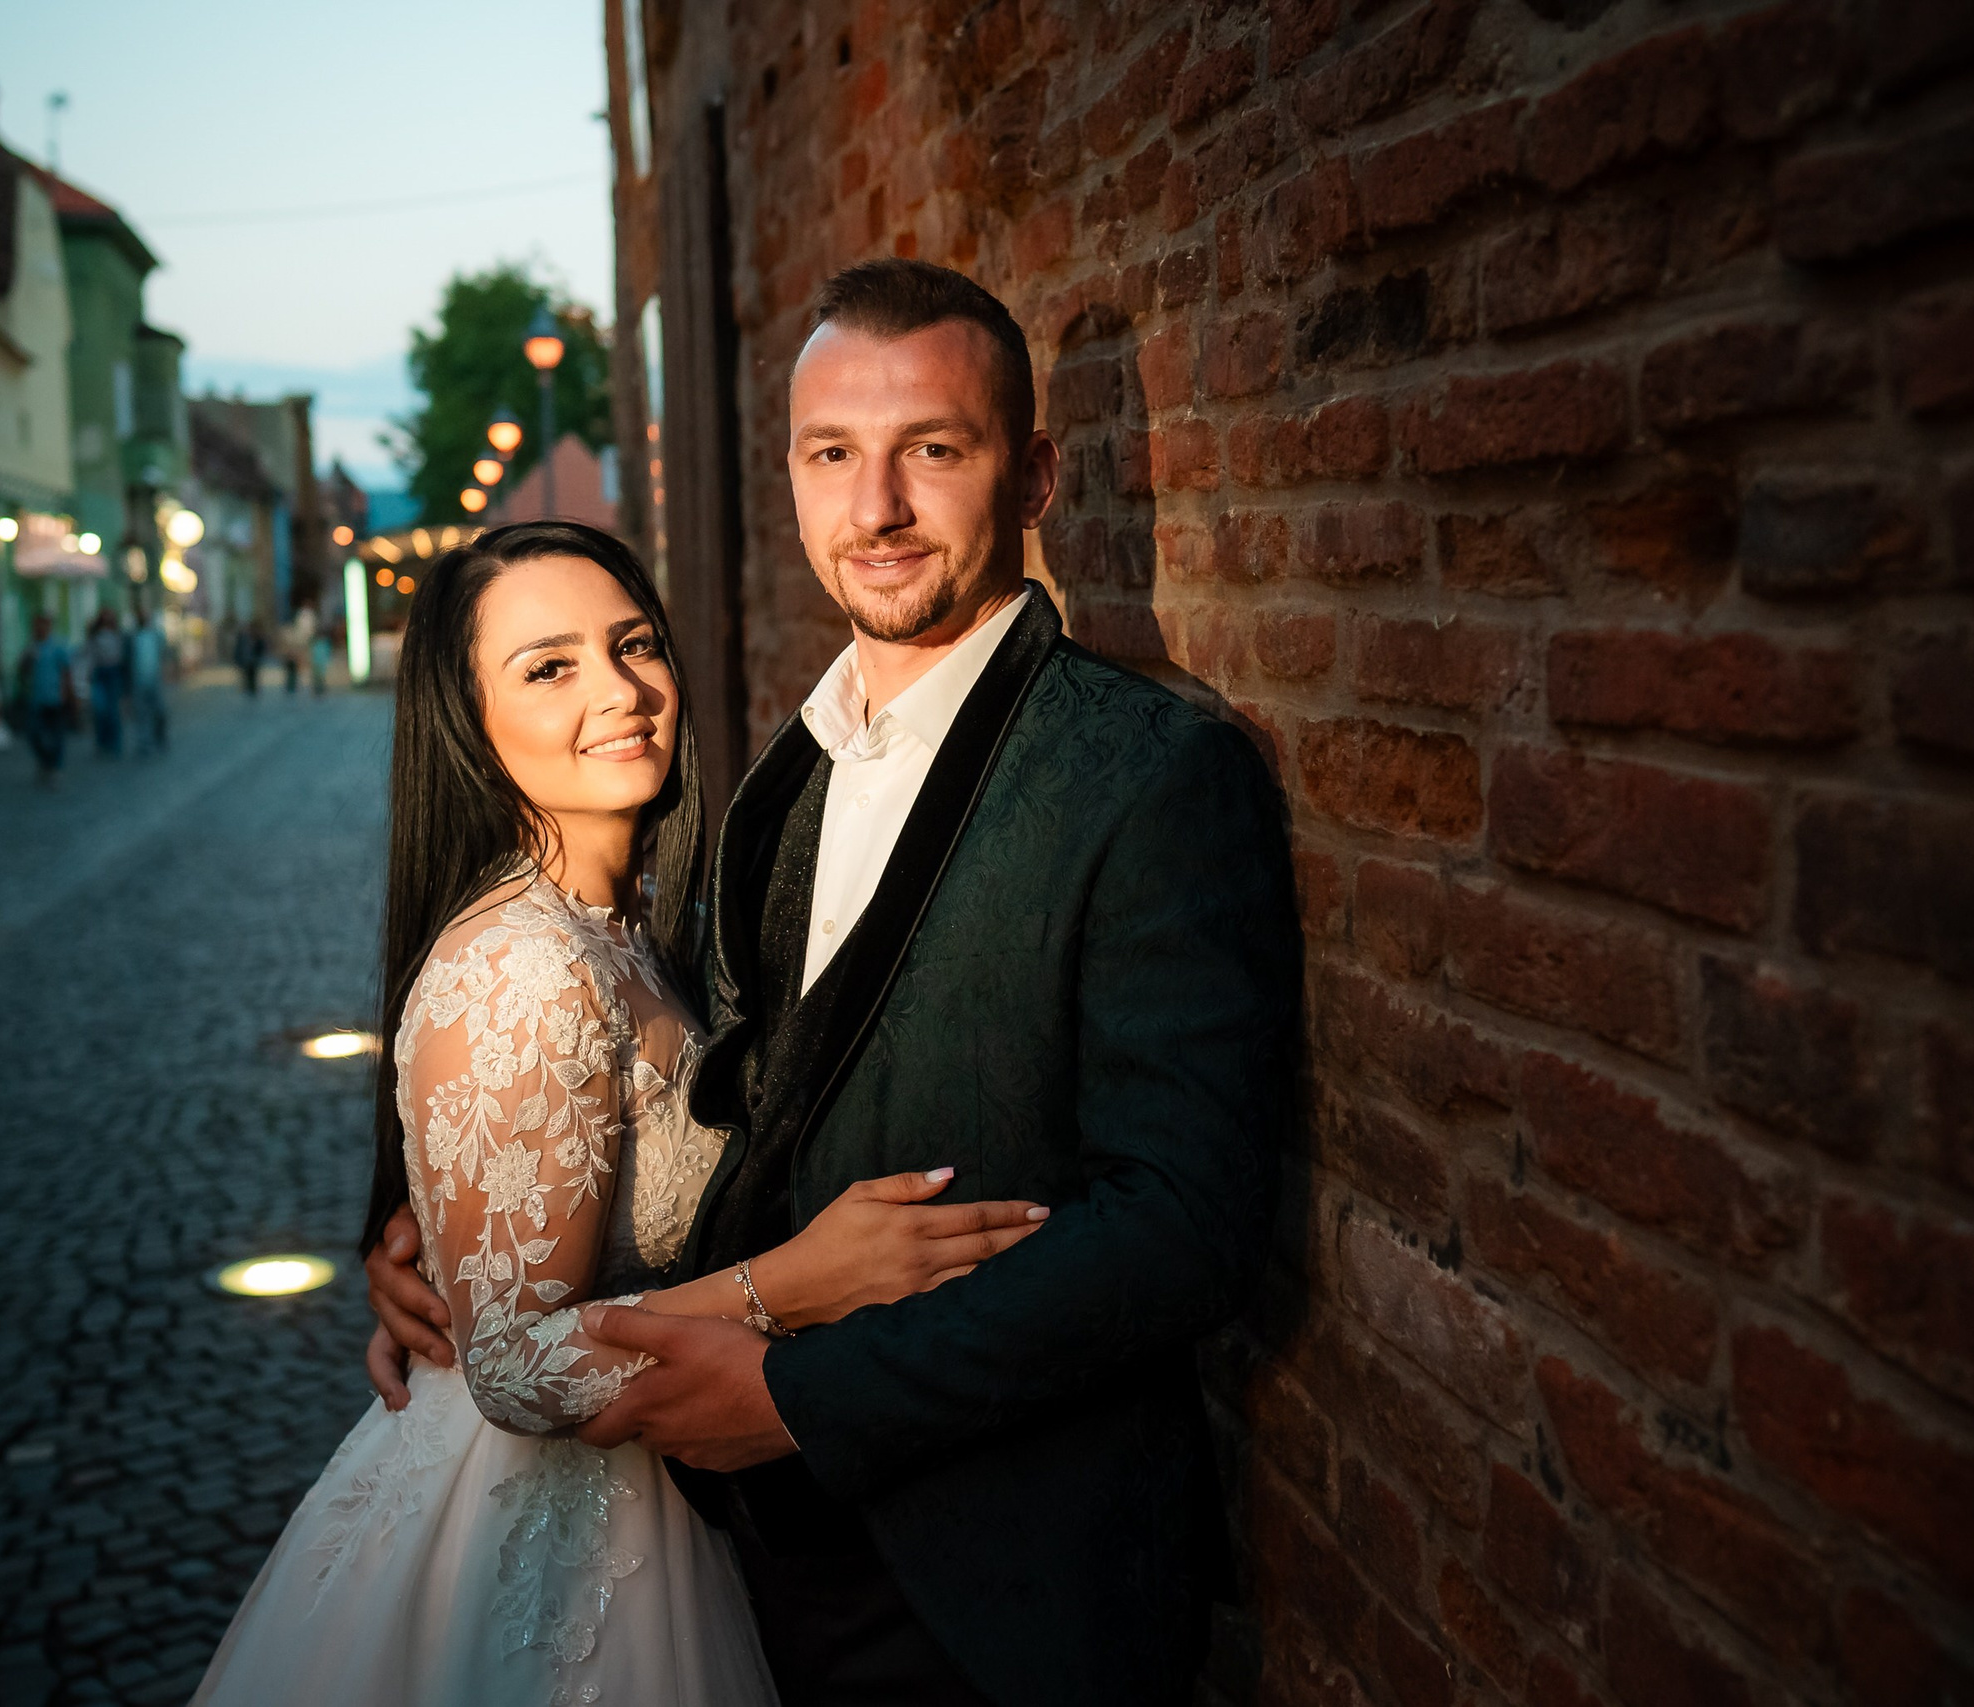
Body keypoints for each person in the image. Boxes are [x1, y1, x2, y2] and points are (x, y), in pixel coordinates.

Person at [365, 260, 1299, 1704]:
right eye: (832, 456)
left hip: (1008, 1587)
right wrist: (457, 1236)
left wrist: (796, 1393)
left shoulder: (1152, 773)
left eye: (933, 449)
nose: (877, 509)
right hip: (756, 1560)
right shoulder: (773, 791)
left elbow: (1186, 1226)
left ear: (1037, 474)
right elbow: (710, 1125)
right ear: (793, 479)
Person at [192, 521, 1053, 1707]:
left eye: (631, 643)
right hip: (538, 1530)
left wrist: (421, 1233)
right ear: (468, 723)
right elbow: (510, 1366)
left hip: (658, 1492)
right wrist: (797, 1281)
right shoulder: (520, 966)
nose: (619, 690)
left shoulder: (631, 935)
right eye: (548, 667)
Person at [16, 612, 77, 786]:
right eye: (36, 626)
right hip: (36, 698)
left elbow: (66, 671)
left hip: (55, 698)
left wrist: (68, 694)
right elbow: (22, 671)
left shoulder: (57, 646)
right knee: (34, 734)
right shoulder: (31, 647)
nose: (39, 629)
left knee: (56, 735)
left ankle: (55, 767)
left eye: (42, 625)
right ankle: (45, 762)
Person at [85, 608, 128, 756]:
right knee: (100, 709)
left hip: (112, 672)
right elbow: (90, 654)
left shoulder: (116, 634)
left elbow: (121, 655)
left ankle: (114, 743)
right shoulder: (95, 635)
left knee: (113, 711)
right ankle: (102, 742)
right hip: (100, 672)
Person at [129, 614, 169, 754]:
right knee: (142, 714)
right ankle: (144, 743)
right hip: (139, 681)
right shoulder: (133, 638)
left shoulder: (155, 636)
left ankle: (159, 739)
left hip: (153, 680)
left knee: (159, 712)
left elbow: (162, 654)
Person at [231, 620, 265, 696]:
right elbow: (238, 649)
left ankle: (252, 688)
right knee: (246, 675)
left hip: (254, 660)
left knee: (253, 675)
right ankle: (247, 688)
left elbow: (261, 648)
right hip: (246, 660)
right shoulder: (243, 638)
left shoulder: (257, 637)